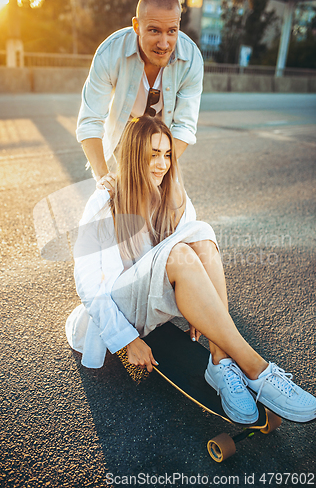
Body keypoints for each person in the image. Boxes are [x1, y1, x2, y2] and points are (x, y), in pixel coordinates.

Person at [66, 116, 316, 425]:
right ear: (133, 155)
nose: (162, 164)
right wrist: (127, 340)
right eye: (152, 154)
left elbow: (198, 253)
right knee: (181, 249)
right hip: (122, 307)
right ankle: (257, 369)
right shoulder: (105, 201)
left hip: (153, 302)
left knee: (201, 235)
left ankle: (220, 360)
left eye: (167, 154)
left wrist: (202, 310)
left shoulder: (172, 196)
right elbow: (88, 284)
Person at [76, 0, 203, 189]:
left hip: (164, 138)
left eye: (172, 31)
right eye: (154, 30)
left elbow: (184, 126)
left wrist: (160, 166)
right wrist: (103, 176)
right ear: (137, 26)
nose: (164, 43)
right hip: (125, 134)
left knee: (167, 201)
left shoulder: (191, 58)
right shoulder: (109, 53)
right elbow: (90, 120)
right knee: (122, 195)